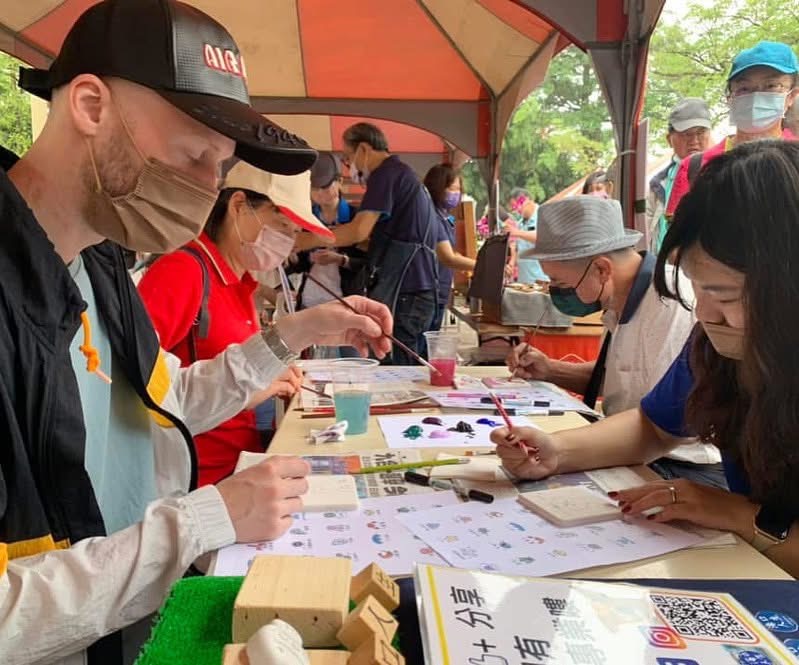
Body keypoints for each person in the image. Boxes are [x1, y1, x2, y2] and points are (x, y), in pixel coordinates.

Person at [0, 1, 393, 663]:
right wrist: (201, 521)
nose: (208, 189)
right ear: (91, 106)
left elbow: (162, 403)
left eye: (220, 167)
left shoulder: (99, 262)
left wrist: (293, 333)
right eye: (192, 156)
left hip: (122, 624)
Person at [493, 140, 799, 576]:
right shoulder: (716, 346)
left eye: (725, 296)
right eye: (699, 287)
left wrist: (736, 514)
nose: (704, 312)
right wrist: (557, 452)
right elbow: (654, 424)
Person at [138, 162, 333, 485]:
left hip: (241, 464)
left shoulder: (239, 282)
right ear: (239, 205)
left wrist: (268, 379)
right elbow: (136, 392)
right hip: (199, 480)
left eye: (294, 233)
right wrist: (256, 386)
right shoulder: (182, 272)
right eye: (281, 225)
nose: (287, 241)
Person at [508, 196, 723, 486]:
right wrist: (551, 370)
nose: (554, 292)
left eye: (560, 283)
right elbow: (619, 379)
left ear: (602, 269)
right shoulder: (617, 300)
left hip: (680, 465)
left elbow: (659, 422)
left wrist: (559, 449)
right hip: (634, 449)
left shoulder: (671, 302)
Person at [296, 123, 474, 363]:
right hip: (417, 292)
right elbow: (371, 240)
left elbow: (358, 231)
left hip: (407, 293)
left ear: (363, 150)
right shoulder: (401, 175)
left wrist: (306, 239)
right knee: (406, 366)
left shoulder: (386, 174)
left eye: (348, 158)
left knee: (400, 369)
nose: (350, 167)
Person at [666, 41, 799, 216]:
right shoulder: (695, 167)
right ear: (729, 98)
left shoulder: (795, 159)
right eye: (744, 88)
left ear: (792, 96)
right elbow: (680, 232)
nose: (756, 96)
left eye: (771, 86)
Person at [287, 152, 367, 359]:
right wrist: (293, 257)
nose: (320, 193)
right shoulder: (306, 219)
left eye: (325, 187)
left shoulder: (357, 218)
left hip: (346, 301)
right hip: (311, 299)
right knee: (309, 361)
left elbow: (368, 263)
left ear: (339, 182)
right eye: (314, 189)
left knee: (351, 357)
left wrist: (341, 260)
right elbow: (298, 266)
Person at [647, 98, 712, 254]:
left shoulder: (722, 174)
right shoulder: (658, 184)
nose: (694, 141)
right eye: (686, 134)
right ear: (669, 139)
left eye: (700, 132)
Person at [423, 163, 476, 330]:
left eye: (459, 189)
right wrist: (483, 266)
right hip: (430, 293)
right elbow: (448, 258)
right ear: (438, 188)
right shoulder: (433, 217)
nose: (456, 194)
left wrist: (468, 263)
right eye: (452, 189)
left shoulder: (444, 218)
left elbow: (452, 254)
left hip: (439, 292)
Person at [508, 198, 548, 284]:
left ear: (528, 201)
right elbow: (517, 247)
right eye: (514, 208)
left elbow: (543, 238)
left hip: (540, 278)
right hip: (524, 279)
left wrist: (516, 232)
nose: (516, 210)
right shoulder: (520, 223)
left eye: (517, 206)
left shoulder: (543, 216)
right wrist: (512, 262)